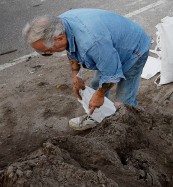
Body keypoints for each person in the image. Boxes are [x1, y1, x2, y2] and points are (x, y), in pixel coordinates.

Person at [22, 9, 151, 131]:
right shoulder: (60, 25)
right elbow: (70, 49)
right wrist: (76, 76)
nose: (48, 53)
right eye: (44, 53)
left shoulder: (92, 42)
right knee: (96, 85)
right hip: (109, 48)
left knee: (122, 103)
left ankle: (133, 127)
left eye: (48, 50)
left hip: (134, 50)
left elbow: (111, 73)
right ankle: (98, 116)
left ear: (60, 38)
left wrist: (99, 95)